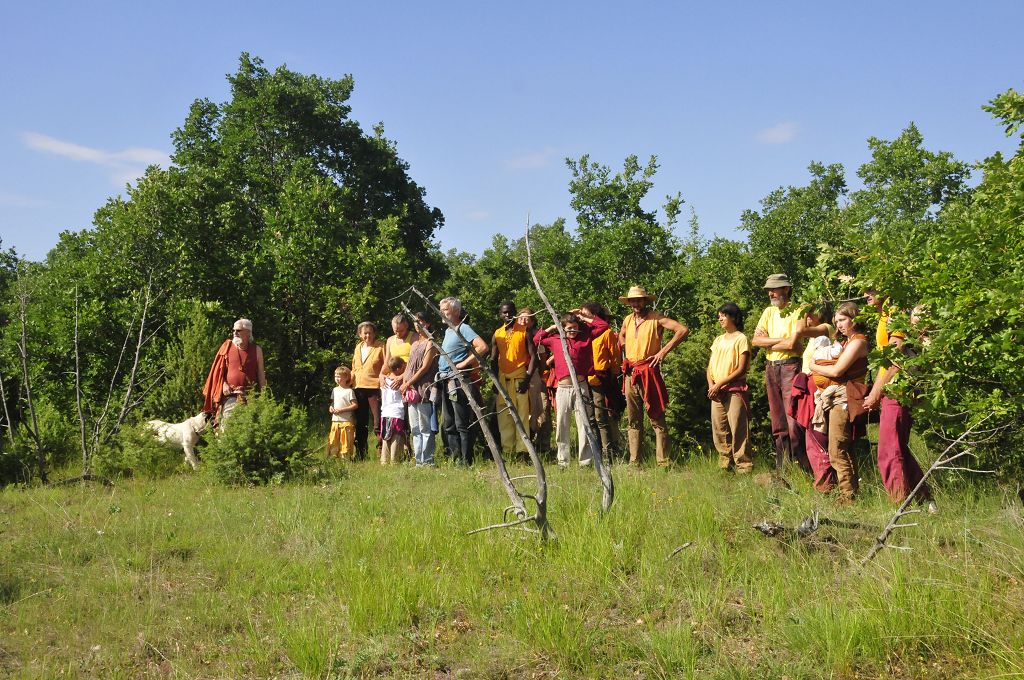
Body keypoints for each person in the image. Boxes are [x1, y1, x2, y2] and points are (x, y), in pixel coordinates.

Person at [863, 290, 934, 508]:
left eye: (871, 288)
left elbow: (894, 357)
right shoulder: (883, 315)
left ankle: (898, 506)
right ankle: (925, 499)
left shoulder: (895, 312)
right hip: (893, 390)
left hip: (898, 389)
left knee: (889, 450)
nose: (866, 293)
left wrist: (876, 391)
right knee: (898, 447)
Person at [617, 285, 689, 466]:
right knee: (633, 419)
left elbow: (682, 330)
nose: (635, 303)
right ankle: (635, 462)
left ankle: (663, 462)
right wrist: (627, 349)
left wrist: (663, 352)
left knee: (656, 416)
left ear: (645, 301)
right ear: (629, 302)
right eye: (632, 300)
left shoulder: (657, 318)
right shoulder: (627, 319)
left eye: (639, 300)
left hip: (649, 372)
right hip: (631, 373)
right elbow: (621, 337)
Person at [810, 302, 870, 503]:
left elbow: (837, 371)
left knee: (837, 448)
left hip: (846, 397)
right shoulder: (847, 341)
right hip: (838, 396)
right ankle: (851, 492)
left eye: (843, 319)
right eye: (837, 321)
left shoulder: (858, 342)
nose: (839, 324)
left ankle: (848, 496)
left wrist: (813, 366)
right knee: (844, 446)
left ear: (854, 318)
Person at [534, 309, 609, 467]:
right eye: (569, 328)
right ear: (563, 327)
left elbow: (603, 325)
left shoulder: (585, 337)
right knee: (562, 424)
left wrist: (584, 317)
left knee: (584, 425)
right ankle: (563, 461)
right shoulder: (556, 339)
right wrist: (552, 327)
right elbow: (536, 339)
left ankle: (585, 461)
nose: (572, 330)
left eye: (575, 327)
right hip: (562, 389)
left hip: (581, 387)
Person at [752, 274, 808, 471]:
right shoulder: (768, 312)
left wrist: (770, 340)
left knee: (793, 421)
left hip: (790, 366)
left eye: (774, 289)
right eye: (769, 289)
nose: (770, 293)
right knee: (778, 421)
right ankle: (782, 468)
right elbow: (755, 341)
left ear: (786, 289)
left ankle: (801, 466)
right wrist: (781, 340)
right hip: (771, 367)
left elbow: (794, 344)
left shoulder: (799, 310)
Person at [782, 302, 837, 492]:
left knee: (817, 435)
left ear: (820, 315)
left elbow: (801, 330)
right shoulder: (816, 337)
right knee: (810, 435)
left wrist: (799, 313)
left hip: (818, 389)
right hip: (810, 387)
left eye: (810, 313)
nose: (806, 317)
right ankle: (822, 481)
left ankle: (826, 484)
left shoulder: (825, 329)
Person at [438, 297, 489, 465]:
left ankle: (466, 461)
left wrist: (464, 363)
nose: (442, 313)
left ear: (456, 312)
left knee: (461, 422)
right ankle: (455, 457)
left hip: (458, 382)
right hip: (446, 381)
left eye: (445, 310)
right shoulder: (448, 331)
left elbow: (482, 347)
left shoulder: (463, 328)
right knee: (449, 422)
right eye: (442, 310)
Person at [706, 303, 752, 473]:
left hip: (734, 390)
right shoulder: (718, 340)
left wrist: (720, 384)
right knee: (719, 429)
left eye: (723, 315)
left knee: (738, 427)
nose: (720, 318)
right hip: (717, 391)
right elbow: (710, 366)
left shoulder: (741, 339)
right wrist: (712, 385)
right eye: (719, 315)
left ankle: (744, 466)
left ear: (733, 317)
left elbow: (741, 368)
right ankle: (725, 465)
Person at [490, 301, 536, 458]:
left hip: (520, 377)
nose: (507, 315)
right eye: (504, 312)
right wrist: (494, 381)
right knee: (504, 416)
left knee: (522, 415)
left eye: (510, 312)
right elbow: (493, 359)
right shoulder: (497, 334)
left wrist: (527, 379)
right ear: (500, 314)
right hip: (503, 379)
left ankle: (523, 452)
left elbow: (534, 357)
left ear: (515, 312)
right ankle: (508, 451)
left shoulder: (524, 331)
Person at [201, 318, 267, 426]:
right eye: (234, 330)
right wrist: (223, 384)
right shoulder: (227, 347)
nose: (235, 333)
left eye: (238, 330)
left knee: (247, 430)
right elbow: (218, 372)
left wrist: (263, 396)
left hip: (249, 397)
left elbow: (261, 373)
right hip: (230, 397)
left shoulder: (257, 350)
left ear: (248, 333)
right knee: (227, 429)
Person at [582, 302, 623, 462]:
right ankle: (595, 451)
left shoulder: (606, 333)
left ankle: (609, 454)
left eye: (586, 314)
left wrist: (611, 378)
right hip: (585, 380)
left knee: (602, 416)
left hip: (601, 380)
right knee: (589, 417)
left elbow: (614, 358)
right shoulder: (583, 333)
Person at [401, 311, 439, 467]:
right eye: (416, 322)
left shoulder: (431, 342)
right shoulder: (415, 342)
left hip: (423, 389)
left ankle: (428, 461)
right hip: (411, 391)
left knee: (425, 428)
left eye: (421, 322)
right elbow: (410, 366)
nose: (418, 325)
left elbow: (424, 368)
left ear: (428, 323)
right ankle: (419, 461)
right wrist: (404, 383)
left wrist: (408, 382)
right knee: (415, 428)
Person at [520, 308, 552, 456]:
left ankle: (543, 446)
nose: (524, 321)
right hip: (518, 376)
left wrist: (542, 377)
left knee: (542, 410)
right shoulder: (515, 335)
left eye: (528, 318)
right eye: (522, 318)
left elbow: (543, 361)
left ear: (533, 321)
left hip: (536, 378)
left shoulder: (537, 338)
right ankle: (525, 447)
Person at [352, 321, 385, 460]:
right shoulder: (358, 347)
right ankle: (360, 454)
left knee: (378, 422)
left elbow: (386, 366)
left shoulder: (381, 346)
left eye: (370, 332)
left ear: (374, 333)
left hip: (374, 388)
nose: (368, 335)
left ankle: (382, 451)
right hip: (358, 388)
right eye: (364, 333)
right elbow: (354, 367)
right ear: (360, 334)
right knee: (360, 422)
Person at [327, 366, 357, 460]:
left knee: (346, 442)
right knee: (333, 440)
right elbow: (332, 403)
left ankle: (346, 459)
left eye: (340, 376)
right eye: (336, 376)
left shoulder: (349, 391)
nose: (337, 378)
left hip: (346, 421)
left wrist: (342, 410)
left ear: (346, 377)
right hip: (335, 420)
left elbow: (355, 405)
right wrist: (331, 408)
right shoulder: (334, 390)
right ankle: (333, 458)